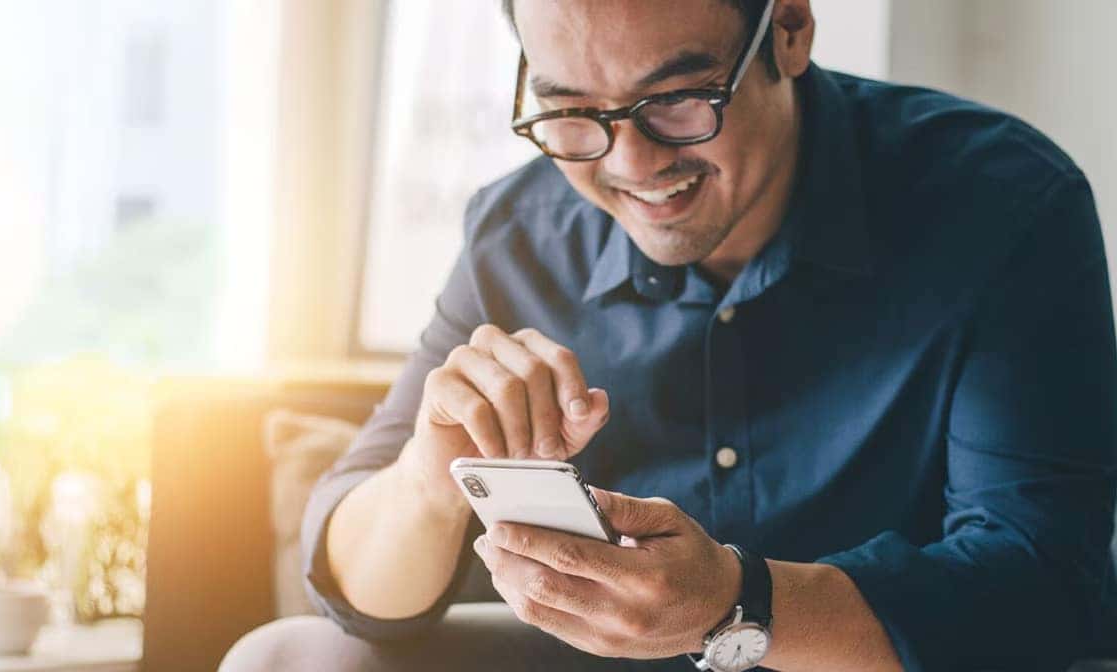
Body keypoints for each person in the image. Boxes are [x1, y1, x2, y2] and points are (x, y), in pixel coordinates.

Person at [221, 0, 1117, 669]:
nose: (631, 165)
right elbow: (357, 593)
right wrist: (429, 476)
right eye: (572, 111)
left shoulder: (1002, 203)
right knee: (287, 657)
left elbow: (1043, 581)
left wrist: (739, 604)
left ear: (792, 30)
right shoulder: (517, 234)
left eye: (680, 100)